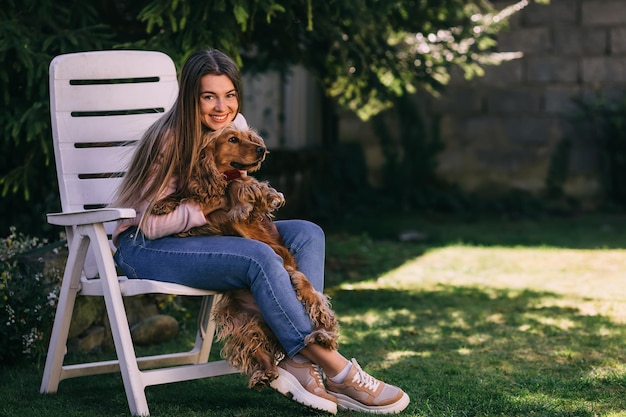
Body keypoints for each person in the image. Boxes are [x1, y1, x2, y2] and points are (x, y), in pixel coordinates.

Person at [112, 49, 410, 415]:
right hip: (145, 247)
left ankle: (297, 361)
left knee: (307, 233)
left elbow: (236, 198)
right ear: (191, 97)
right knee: (258, 256)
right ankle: (336, 368)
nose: (222, 107)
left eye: (230, 95)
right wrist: (207, 205)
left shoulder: (232, 129)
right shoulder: (168, 140)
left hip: (204, 238)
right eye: (209, 96)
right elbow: (150, 223)